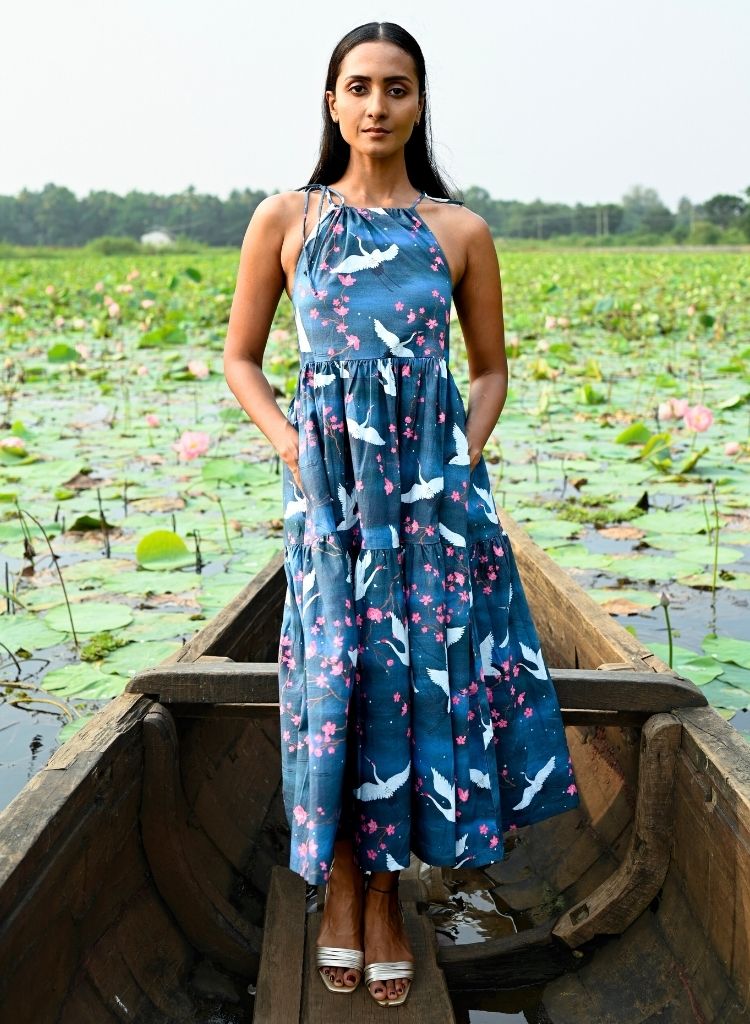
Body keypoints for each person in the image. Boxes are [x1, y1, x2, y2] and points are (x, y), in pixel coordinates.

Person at [224, 20, 580, 1009]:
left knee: (415, 682)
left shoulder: (458, 231)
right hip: (329, 495)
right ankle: (338, 886)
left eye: (397, 87)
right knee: (337, 675)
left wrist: (462, 455)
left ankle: (386, 896)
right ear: (332, 102)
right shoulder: (285, 219)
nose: (377, 105)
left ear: (420, 104)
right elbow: (241, 359)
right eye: (359, 86)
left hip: (433, 500)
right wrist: (291, 446)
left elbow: (490, 370)